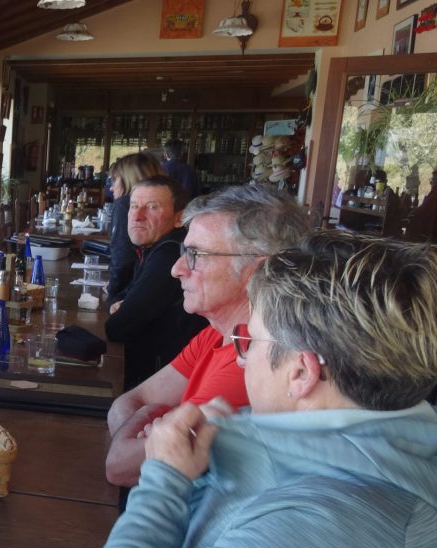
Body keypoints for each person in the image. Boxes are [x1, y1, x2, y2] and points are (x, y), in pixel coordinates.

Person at [66, 230, 437, 548]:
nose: (240, 358)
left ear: (301, 372)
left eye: (249, 341)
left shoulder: (338, 533)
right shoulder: (374, 430)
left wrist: (164, 480)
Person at [105, 185, 311, 487]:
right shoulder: (216, 334)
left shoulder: (253, 365)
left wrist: (149, 422)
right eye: (184, 252)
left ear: (258, 270)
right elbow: (131, 401)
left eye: (196, 255)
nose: (177, 270)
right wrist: (150, 421)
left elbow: (120, 466)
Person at [105, 175, 207, 390]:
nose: (138, 216)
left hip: (163, 384)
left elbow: (118, 327)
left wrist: (122, 309)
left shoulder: (169, 255)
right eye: (134, 206)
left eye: (152, 207)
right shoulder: (153, 247)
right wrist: (122, 304)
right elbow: (121, 296)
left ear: (179, 218)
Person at [106, 153, 165, 301]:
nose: (111, 188)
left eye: (114, 180)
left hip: (130, 294)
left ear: (128, 179)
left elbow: (122, 257)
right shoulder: (164, 206)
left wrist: (112, 291)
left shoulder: (124, 205)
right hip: (154, 288)